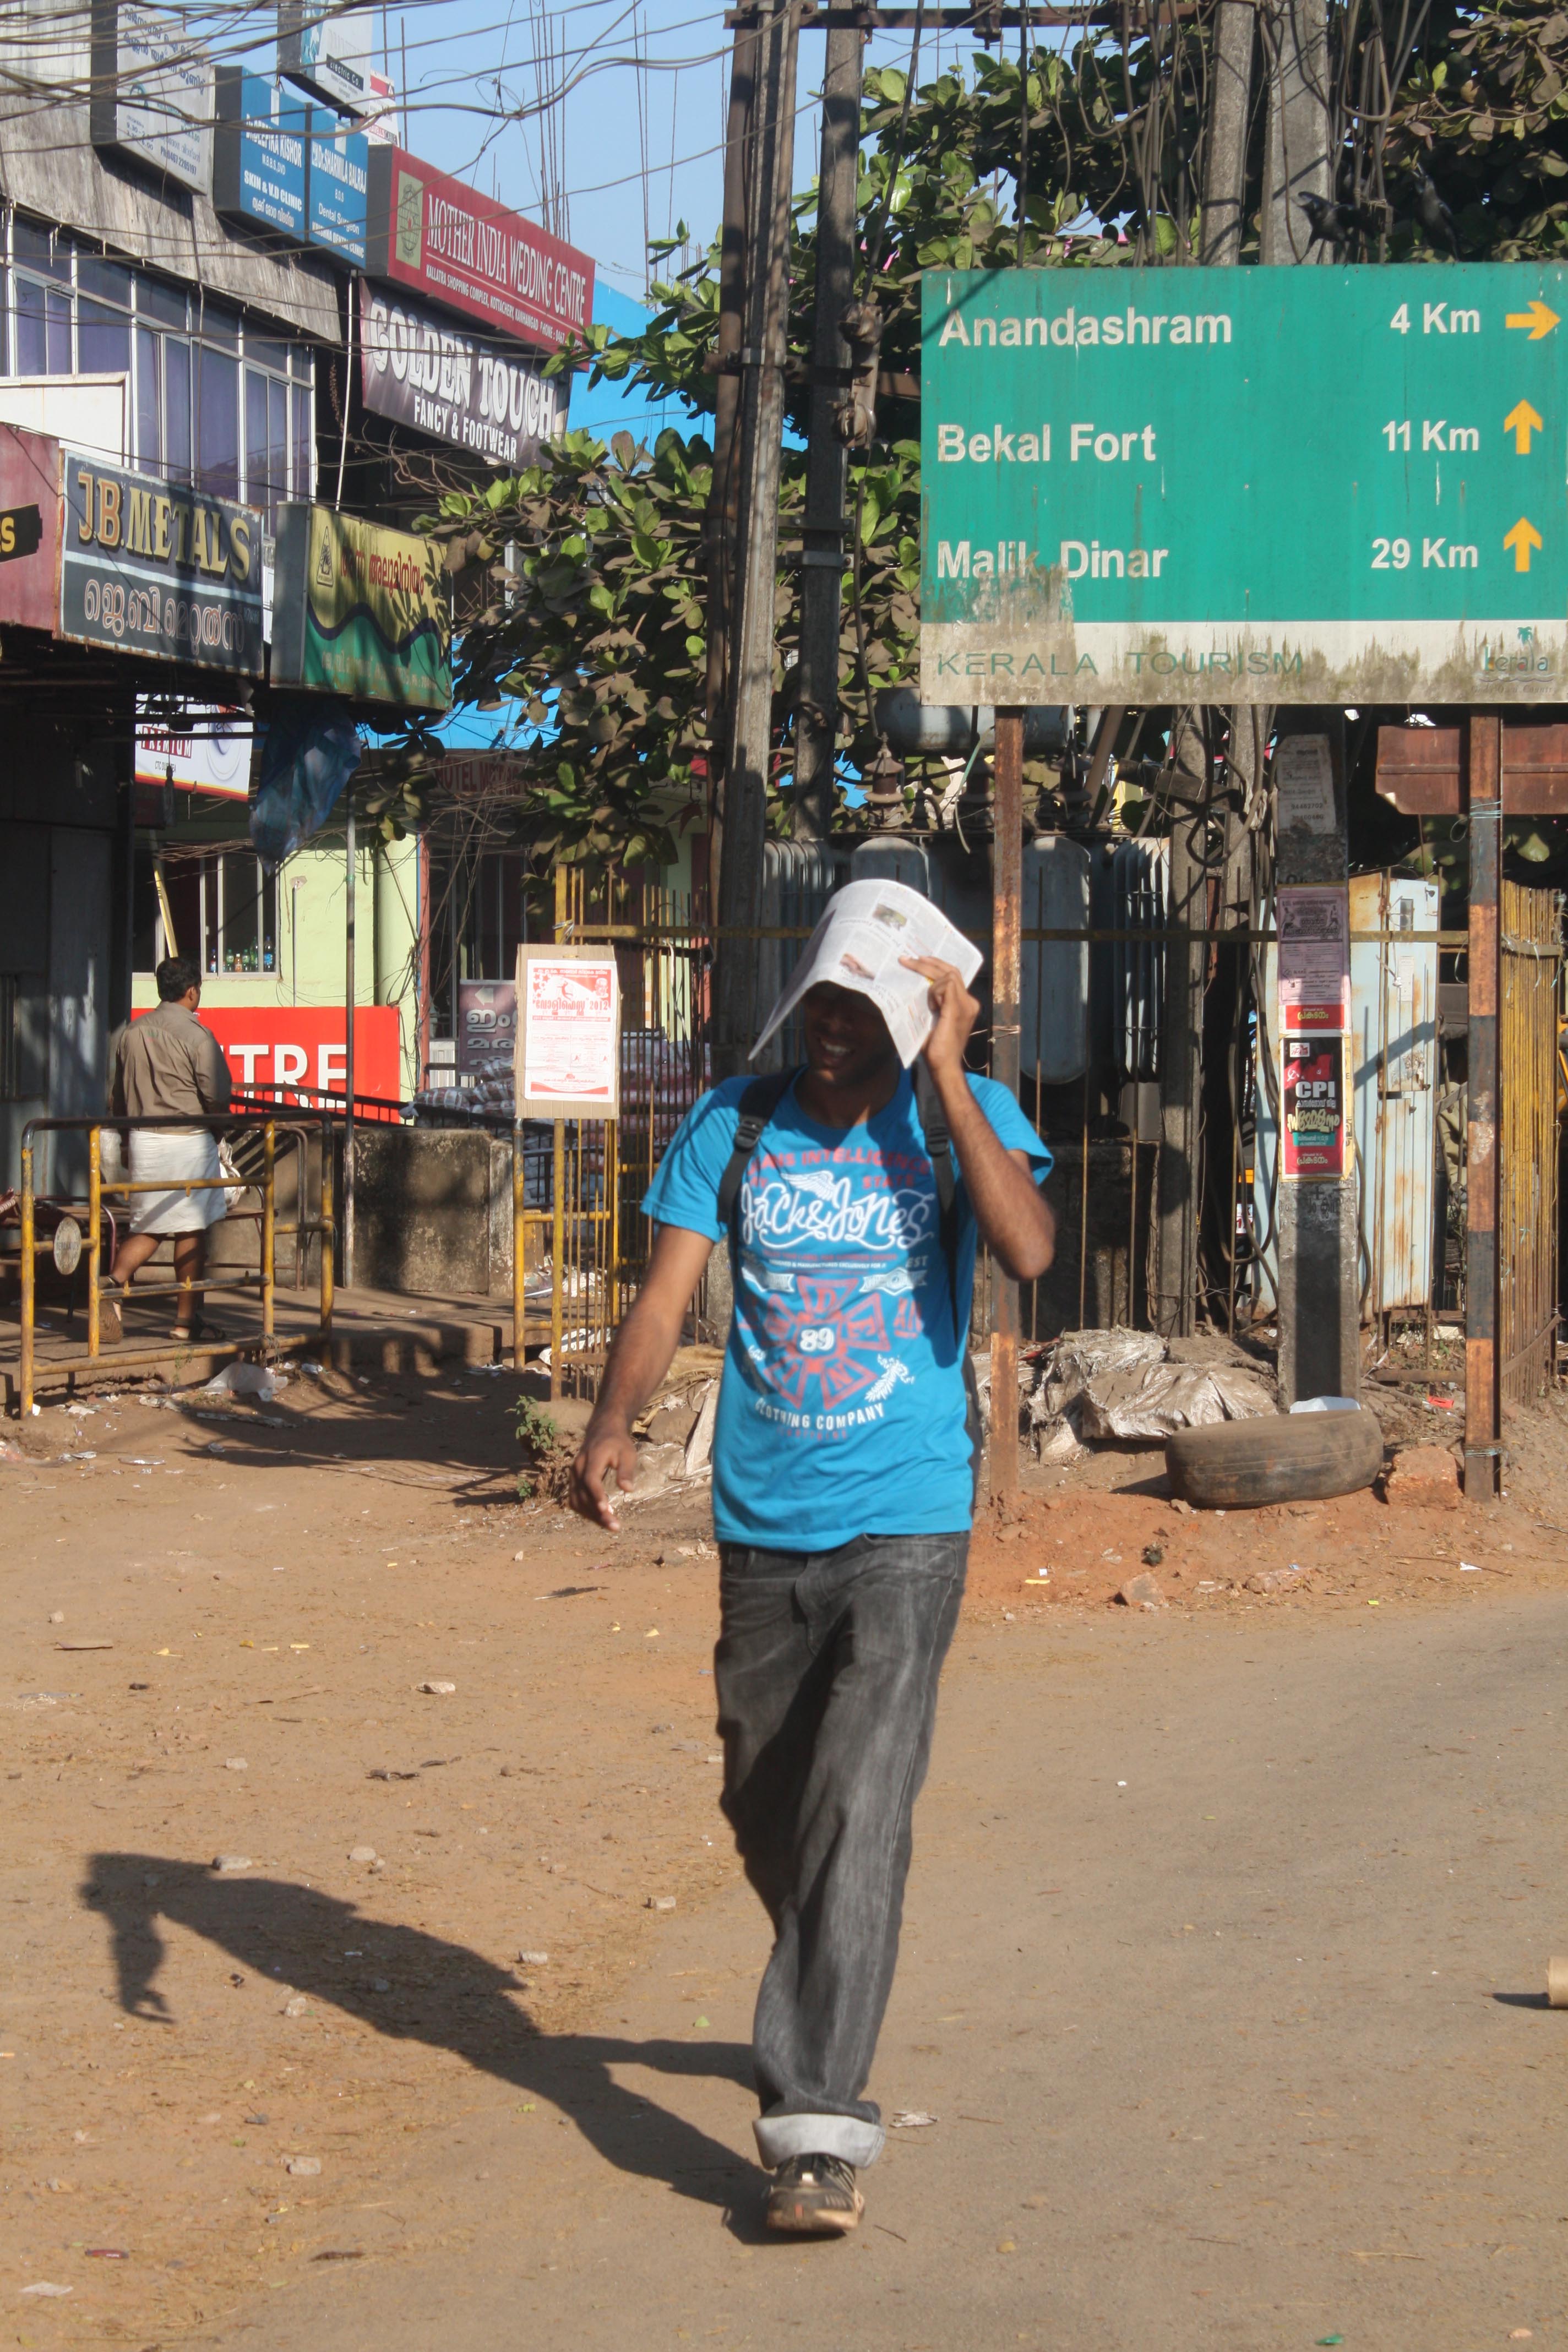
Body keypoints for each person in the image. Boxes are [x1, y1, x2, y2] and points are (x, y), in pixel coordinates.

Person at [569, 944, 1054, 2237]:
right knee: (763, 1793)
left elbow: (1025, 1248)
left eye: (866, 1013)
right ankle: (834, 1952)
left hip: (907, 1520)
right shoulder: (734, 1122)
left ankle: (814, 2129)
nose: (835, 1032)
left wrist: (948, 1077)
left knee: (859, 1800)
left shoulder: (968, 1116)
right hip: (761, 1522)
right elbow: (666, 1293)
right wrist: (611, 1422)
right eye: (821, 1008)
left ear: (913, 1016)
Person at [106, 954, 233, 1343]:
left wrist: (128, 1141)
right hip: (188, 1142)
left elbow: (118, 1097)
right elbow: (216, 1094)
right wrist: (221, 1129)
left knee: (149, 1223)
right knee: (190, 1229)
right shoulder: (198, 1036)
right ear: (192, 992)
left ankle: (112, 1282)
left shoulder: (131, 1033)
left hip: (143, 1140)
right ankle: (183, 1322)